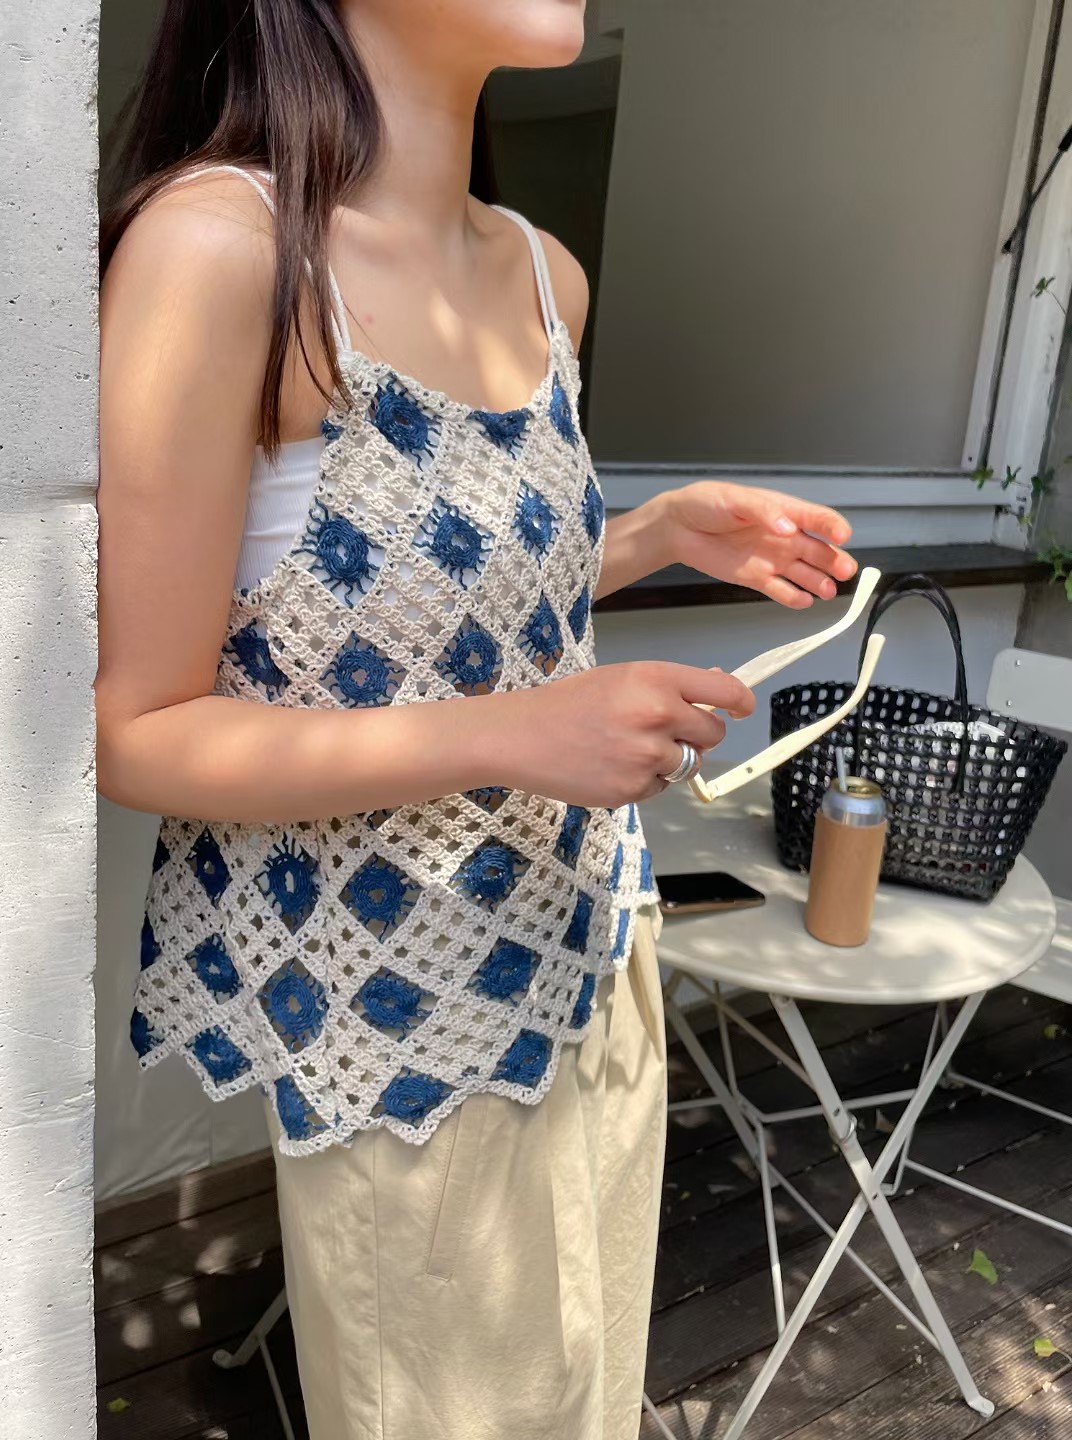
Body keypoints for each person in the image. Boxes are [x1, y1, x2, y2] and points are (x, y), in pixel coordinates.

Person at [95, 2, 858, 1436]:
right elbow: (142, 729)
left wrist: (649, 536)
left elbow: (412, 602)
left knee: (590, 1393)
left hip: (593, 954)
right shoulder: (223, 251)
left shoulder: (542, 274)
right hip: (397, 1017)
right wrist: (517, 733)